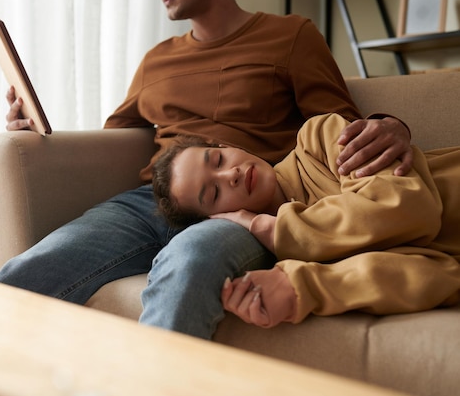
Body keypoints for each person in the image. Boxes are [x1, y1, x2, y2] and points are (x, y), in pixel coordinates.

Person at [0, 0, 413, 339]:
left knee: (188, 262)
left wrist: (394, 125)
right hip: (148, 203)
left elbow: (345, 127)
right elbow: (104, 143)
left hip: (242, 204)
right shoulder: (157, 60)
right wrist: (34, 136)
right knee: (33, 268)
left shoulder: (291, 36)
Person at [151, 113, 460, 328]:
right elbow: (435, 275)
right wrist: (299, 286)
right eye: (214, 192)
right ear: (217, 218)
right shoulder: (296, 254)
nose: (229, 175)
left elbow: (406, 207)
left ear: (228, 147)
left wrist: (276, 228)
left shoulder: (318, 136)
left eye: (218, 160)